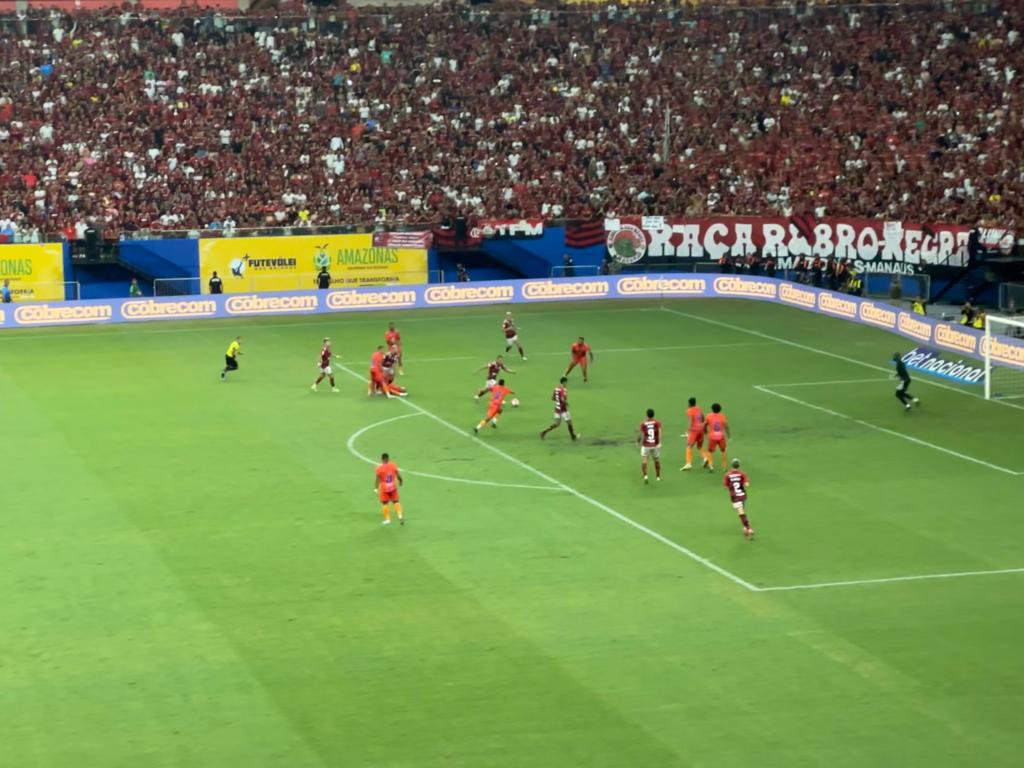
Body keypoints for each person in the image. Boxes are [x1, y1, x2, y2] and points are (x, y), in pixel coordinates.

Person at [723, 459, 754, 540]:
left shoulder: (728, 475)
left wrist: (731, 486)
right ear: (739, 465)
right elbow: (747, 484)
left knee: (741, 512)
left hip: (735, 497)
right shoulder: (742, 474)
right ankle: (745, 528)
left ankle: (748, 528)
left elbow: (725, 487)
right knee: (742, 511)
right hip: (743, 496)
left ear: (732, 465)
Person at [540, 377, 578, 441]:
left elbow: (552, 398)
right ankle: (573, 436)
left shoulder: (556, 389)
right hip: (563, 409)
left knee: (557, 424)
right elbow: (562, 399)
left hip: (557, 409)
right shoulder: (563, 389)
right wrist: (566, 403)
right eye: (566, 382)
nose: (566, 384)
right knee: (569, 422)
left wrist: (558, 401)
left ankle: (544, 432)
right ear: (564, 382)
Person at [681, 397, 711, 471]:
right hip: (701, 429)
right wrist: (705, 429)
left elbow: (690, 420)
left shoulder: (689, 410)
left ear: (689, 403)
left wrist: (688, 431)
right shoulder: (699, 409)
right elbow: (703, 419)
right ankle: (705, 458)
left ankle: (688, 463)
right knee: (699, 446)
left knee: (689, 446)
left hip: (694, 430)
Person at [374, 452, 404, 526]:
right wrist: (401, 481)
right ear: (388, 459)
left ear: (382, 459)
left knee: (385, 503)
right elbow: (398, 475)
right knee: (396, 502)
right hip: (393, 487)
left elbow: (377, 479)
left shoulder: (379, 468)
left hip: (385, 488)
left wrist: (376, 488)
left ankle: (388, 520)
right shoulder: (393, 466)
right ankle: (400, 516)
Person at [638, 408, 662, 484]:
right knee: (656, 460)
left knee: (645, 460)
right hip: (655, 444)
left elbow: (641, 434)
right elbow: (660, 433)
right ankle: (658, 477)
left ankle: (645, 476)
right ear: (653, 415)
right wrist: (659, 442)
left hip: (646, 444)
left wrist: (638, 441)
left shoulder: (643, 424)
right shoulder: (657, 423)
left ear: (647, 415)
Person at [704, 403, 730, 471]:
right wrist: (729, 435)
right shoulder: (722, 416)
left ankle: (711, 466)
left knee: (709, 451)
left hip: (712, 437)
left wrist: (705, 432)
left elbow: (704, 425)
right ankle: (724, 466)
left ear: (712, 409)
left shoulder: (708, 416)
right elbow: (726, 426)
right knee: (723, 451)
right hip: (721, 437)